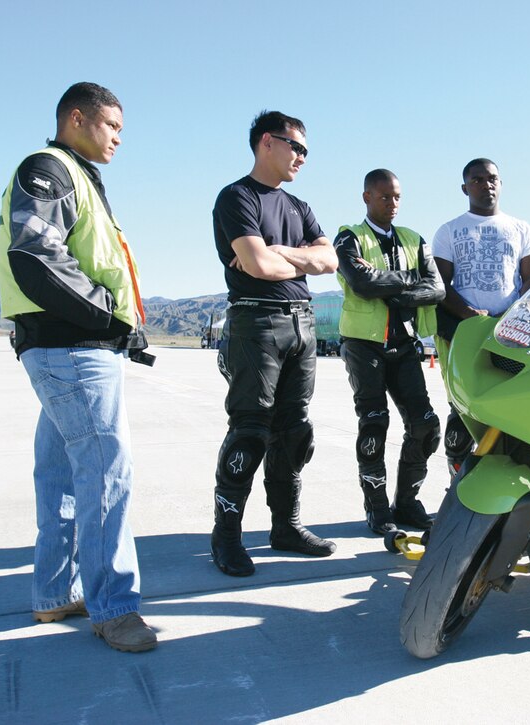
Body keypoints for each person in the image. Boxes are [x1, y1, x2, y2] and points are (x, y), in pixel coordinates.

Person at [0, 82, 157, 652]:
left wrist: (121, 328)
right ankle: (114, 607)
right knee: (106, 474)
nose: (117, 139)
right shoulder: (51, 168)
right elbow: (35, 254)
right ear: (78, 118)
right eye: (111, 126)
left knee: (62, 474)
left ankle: (54, 592)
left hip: (69, 346)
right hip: (73, 350)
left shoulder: (77, 176)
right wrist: (108, 317)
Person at [209, 110, 339, 577]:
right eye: (296, 146)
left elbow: (331, 260)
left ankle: (285, 527)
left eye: (306, 150)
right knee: (250, 429)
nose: (302, 157)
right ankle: (226, 536)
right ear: (268, 142)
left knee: (294, 429)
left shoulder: (299, 207)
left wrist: (280, 252)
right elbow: (258, 269)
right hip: (255, 323)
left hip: (302, 325)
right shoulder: (236, 198)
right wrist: (297, 259)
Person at [334, 169, 445, 535]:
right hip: (363, 345)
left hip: (405, 343)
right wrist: (409, 278)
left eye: (397, 196)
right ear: (366, 197)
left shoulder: (414, 238)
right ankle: (377, 509)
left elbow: (437, 289)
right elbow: (362, 283)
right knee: (374, 423)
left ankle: (407, 503)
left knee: (426, 425)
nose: (392, 203)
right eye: (384, 197)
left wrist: (391, 286)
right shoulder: (349, 237)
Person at [432, 158, 530, 472]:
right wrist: (468, 314)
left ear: (501, 184)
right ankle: (458, 477)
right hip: (464, 332)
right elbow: (440, 283)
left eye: (492, 178)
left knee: (509, 405)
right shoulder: (449, 230)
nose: (486, 184)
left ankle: (507, 476)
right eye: (477, 179)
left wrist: (514, 312)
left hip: (509, 332)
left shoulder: (521, 229)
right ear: (465, 187)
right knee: (463, 407)